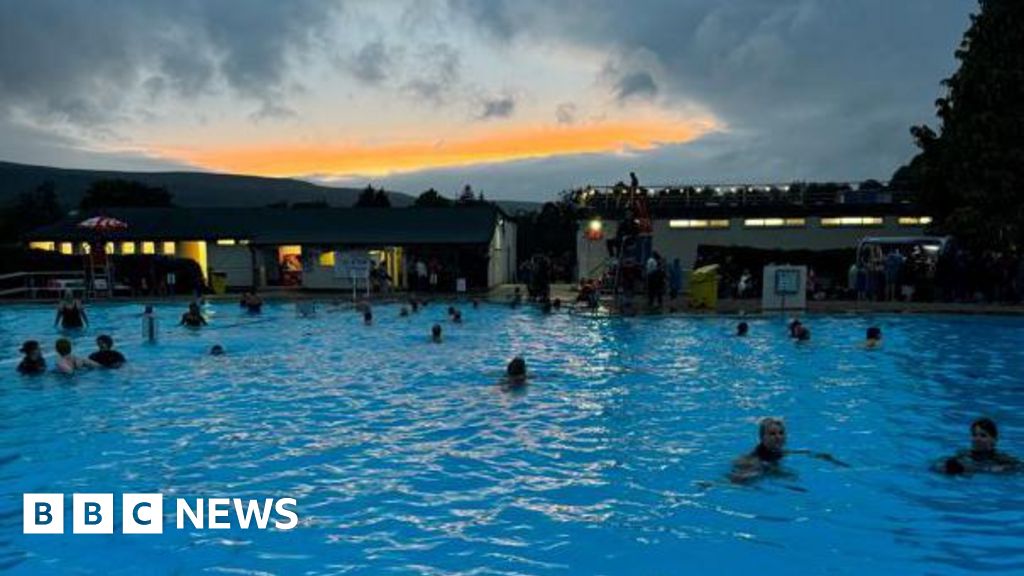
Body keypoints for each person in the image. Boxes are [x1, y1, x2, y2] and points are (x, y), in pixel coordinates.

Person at [730, 418, 846, 484]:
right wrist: (777, 473)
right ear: (762, 438)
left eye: (781, 433)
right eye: (772, 434)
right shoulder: (754, 460)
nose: (778, 437)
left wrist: (819, 455)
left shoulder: (777, 451)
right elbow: (737, 480)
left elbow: (787, 453)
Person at [939, 418, 1019, 475]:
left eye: (983, 435)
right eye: (974, 435)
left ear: (994, 440)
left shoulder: (1001, 459)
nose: (977, 439)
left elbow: (1019, 467)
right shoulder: (964, 454)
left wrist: (1003, 468)